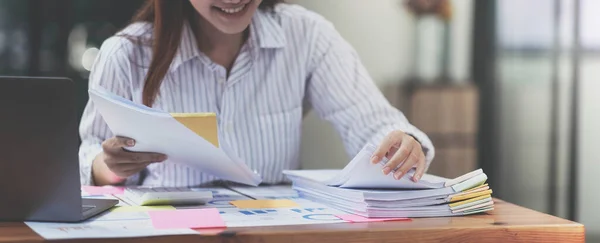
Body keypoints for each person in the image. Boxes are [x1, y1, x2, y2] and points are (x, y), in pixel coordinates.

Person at [79, 0, 435, 187]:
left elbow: (373, 123)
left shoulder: (306, 35)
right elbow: (91, 158)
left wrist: (402, 144)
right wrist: (109, 168)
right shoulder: (126, 54)